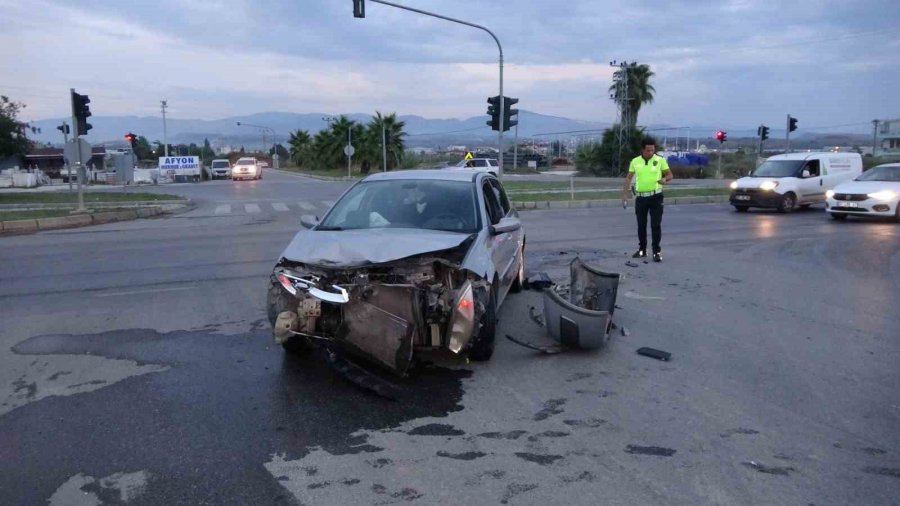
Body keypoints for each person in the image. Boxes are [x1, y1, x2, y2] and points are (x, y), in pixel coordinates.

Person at [622, 138, 673, 262]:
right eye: (648, 150)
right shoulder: (635, 161)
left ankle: (656, 252)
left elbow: (670, 175)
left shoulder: (660, 160)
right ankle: (642, 250)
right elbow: (629, 178)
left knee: (655, 225)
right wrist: (624, 194)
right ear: (643, 149)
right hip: (641, 198)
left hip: (656, 197)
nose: (651, 152)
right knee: (641, 225)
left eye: (653, 150)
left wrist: (665, 180)